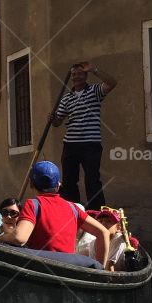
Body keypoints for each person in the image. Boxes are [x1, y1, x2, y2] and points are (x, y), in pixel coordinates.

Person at [0, 160, 111, 263]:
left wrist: (1, 238)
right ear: (58, 186)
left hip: (42, 270)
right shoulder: (73, 208)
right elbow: (104, 233)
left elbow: (19, 238)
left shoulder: (33, 204)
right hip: (68, 270)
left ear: (31, 184)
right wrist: (100, 270)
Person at [52, 60, 117, 209]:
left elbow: (112, 83)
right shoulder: (66, 99)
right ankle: (72, 211)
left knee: (92, 180)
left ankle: (97, 213)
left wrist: (94, 69)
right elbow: (57, 123)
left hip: (91, 144)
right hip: (70, 144)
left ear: (86, 75)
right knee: (69, 181)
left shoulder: (95, 91)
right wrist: (52, 118)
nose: (76, 77)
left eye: (80, 73)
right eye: (74, 74)